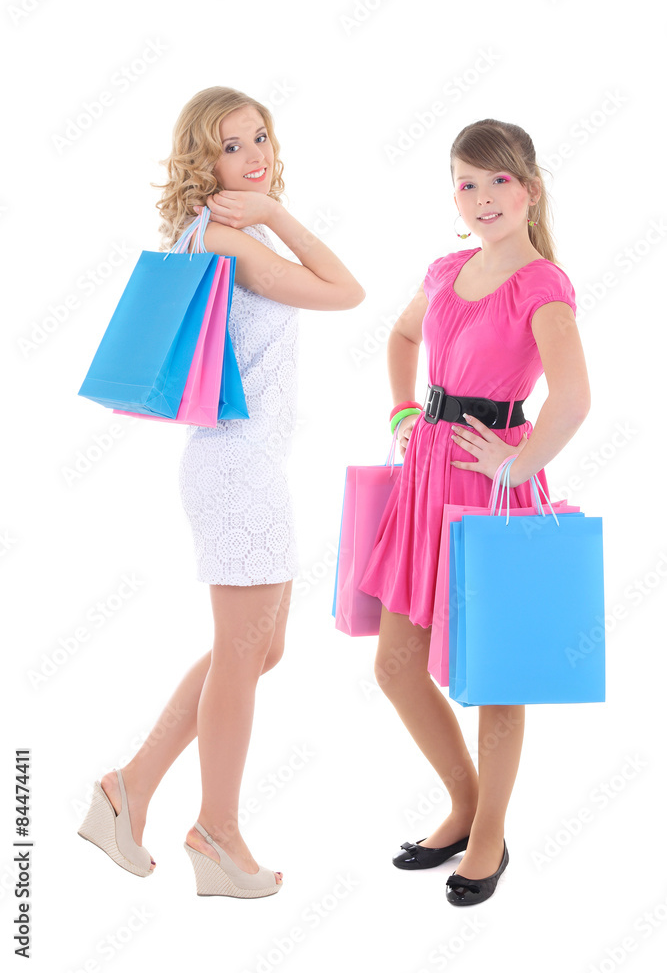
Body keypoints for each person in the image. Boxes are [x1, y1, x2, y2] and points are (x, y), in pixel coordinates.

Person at [77, 86, 364, 899]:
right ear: (204, 164)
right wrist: (274, 214)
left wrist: (265, 210)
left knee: (260, 649)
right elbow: (346, 291)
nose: (255, 155)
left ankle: (127, 788)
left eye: (261, 137)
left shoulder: (207, 233)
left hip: (242, 464)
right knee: (244, 655)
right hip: (237, 468)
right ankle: (217, 831)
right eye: (233, 146)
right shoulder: (235, 243)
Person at [358, 118, 590, 905]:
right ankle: (463, 804)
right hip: (426, 472)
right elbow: (397, 334)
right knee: (394, 666)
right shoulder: (446, 268)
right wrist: (400, 413)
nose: (482, 197)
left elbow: (574, 397)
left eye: (497, 181)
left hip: (489, 490)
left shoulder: (541, 284)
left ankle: (488, 834)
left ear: (528, 187)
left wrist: (517, 464)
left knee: (496, 671)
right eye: (465, 182)